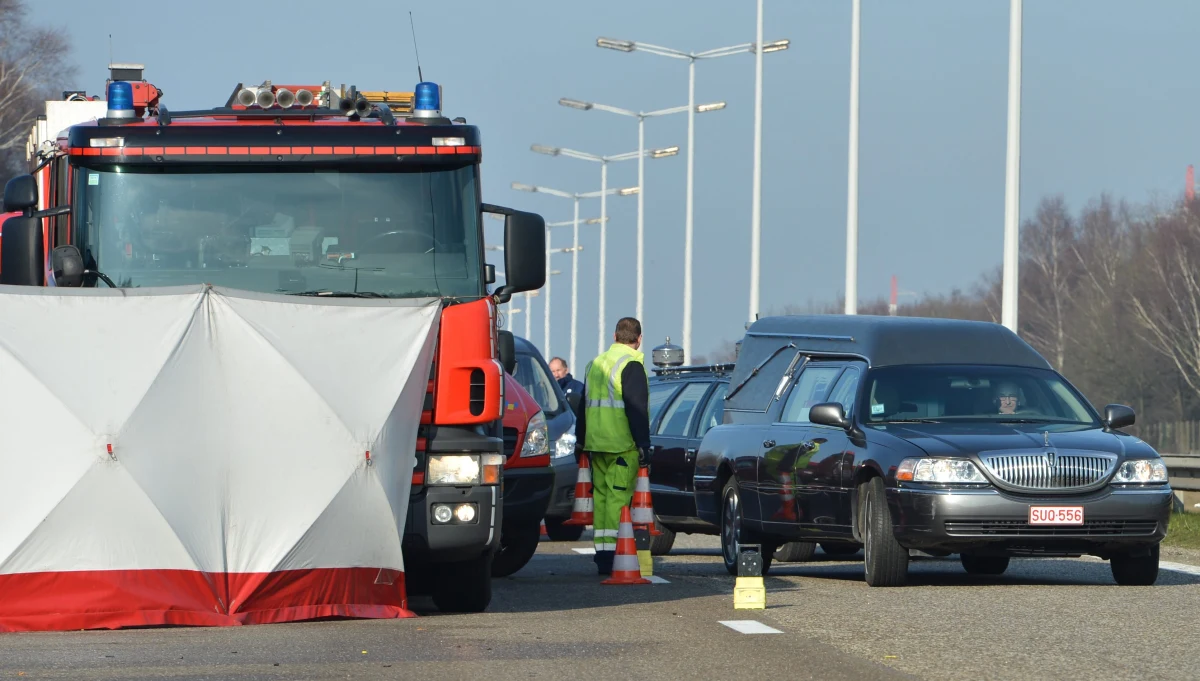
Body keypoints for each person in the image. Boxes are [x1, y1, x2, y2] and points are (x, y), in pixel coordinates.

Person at [574, 317, 652, 576]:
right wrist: (644, 444)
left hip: (596, 445)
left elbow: (582, 406)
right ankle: (617, 555)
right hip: (622, 445)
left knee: (603, 499)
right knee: (619, 502)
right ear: (639, 339)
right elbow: (637, 408)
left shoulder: (595, 364)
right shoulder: (631, 365)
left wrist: (580, 440)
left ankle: (604, 555)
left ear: (614, 336)